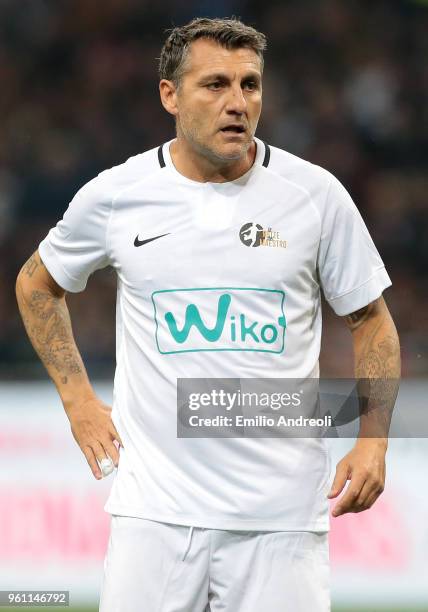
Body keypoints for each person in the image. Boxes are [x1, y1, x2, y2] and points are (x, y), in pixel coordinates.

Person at [16, 17, 400, 612]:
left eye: (250, 85)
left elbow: (371, 319)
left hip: (281, 520)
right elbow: (36, 286)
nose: (237, 103)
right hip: (156, 518)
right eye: (215, 84)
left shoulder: (314, 195)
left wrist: (373, 440)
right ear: (170, 95)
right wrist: (77, 400)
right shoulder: (117, 195)